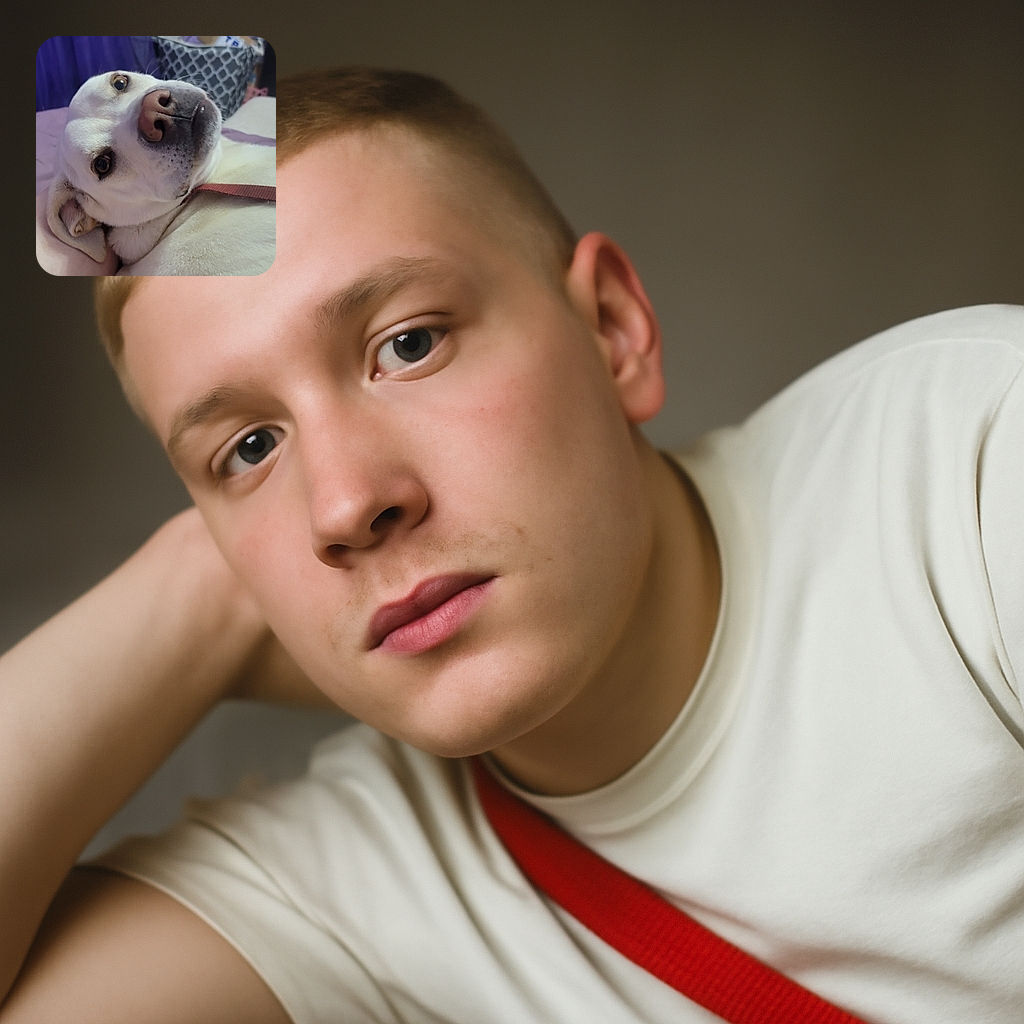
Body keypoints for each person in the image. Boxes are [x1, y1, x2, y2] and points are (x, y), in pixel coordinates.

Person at [1, 66, 1021, 1024]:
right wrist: (195, 589)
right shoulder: (350, 887)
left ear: (612, 328)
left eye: (408, 344)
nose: (343, 505)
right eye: (250, 450)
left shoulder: (968, 463)